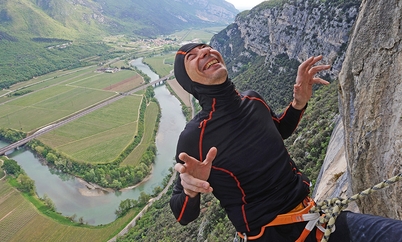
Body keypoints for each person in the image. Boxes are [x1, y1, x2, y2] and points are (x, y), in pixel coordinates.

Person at [169, 43, 402, 241]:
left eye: (206, 47)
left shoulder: (252, 99)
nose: (205, 52)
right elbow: (182, 215)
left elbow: (279, 130)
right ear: (187, 80)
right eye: (192, 56)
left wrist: (298, 103)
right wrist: (190, 190)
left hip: (314, 219)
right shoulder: (193, 138)